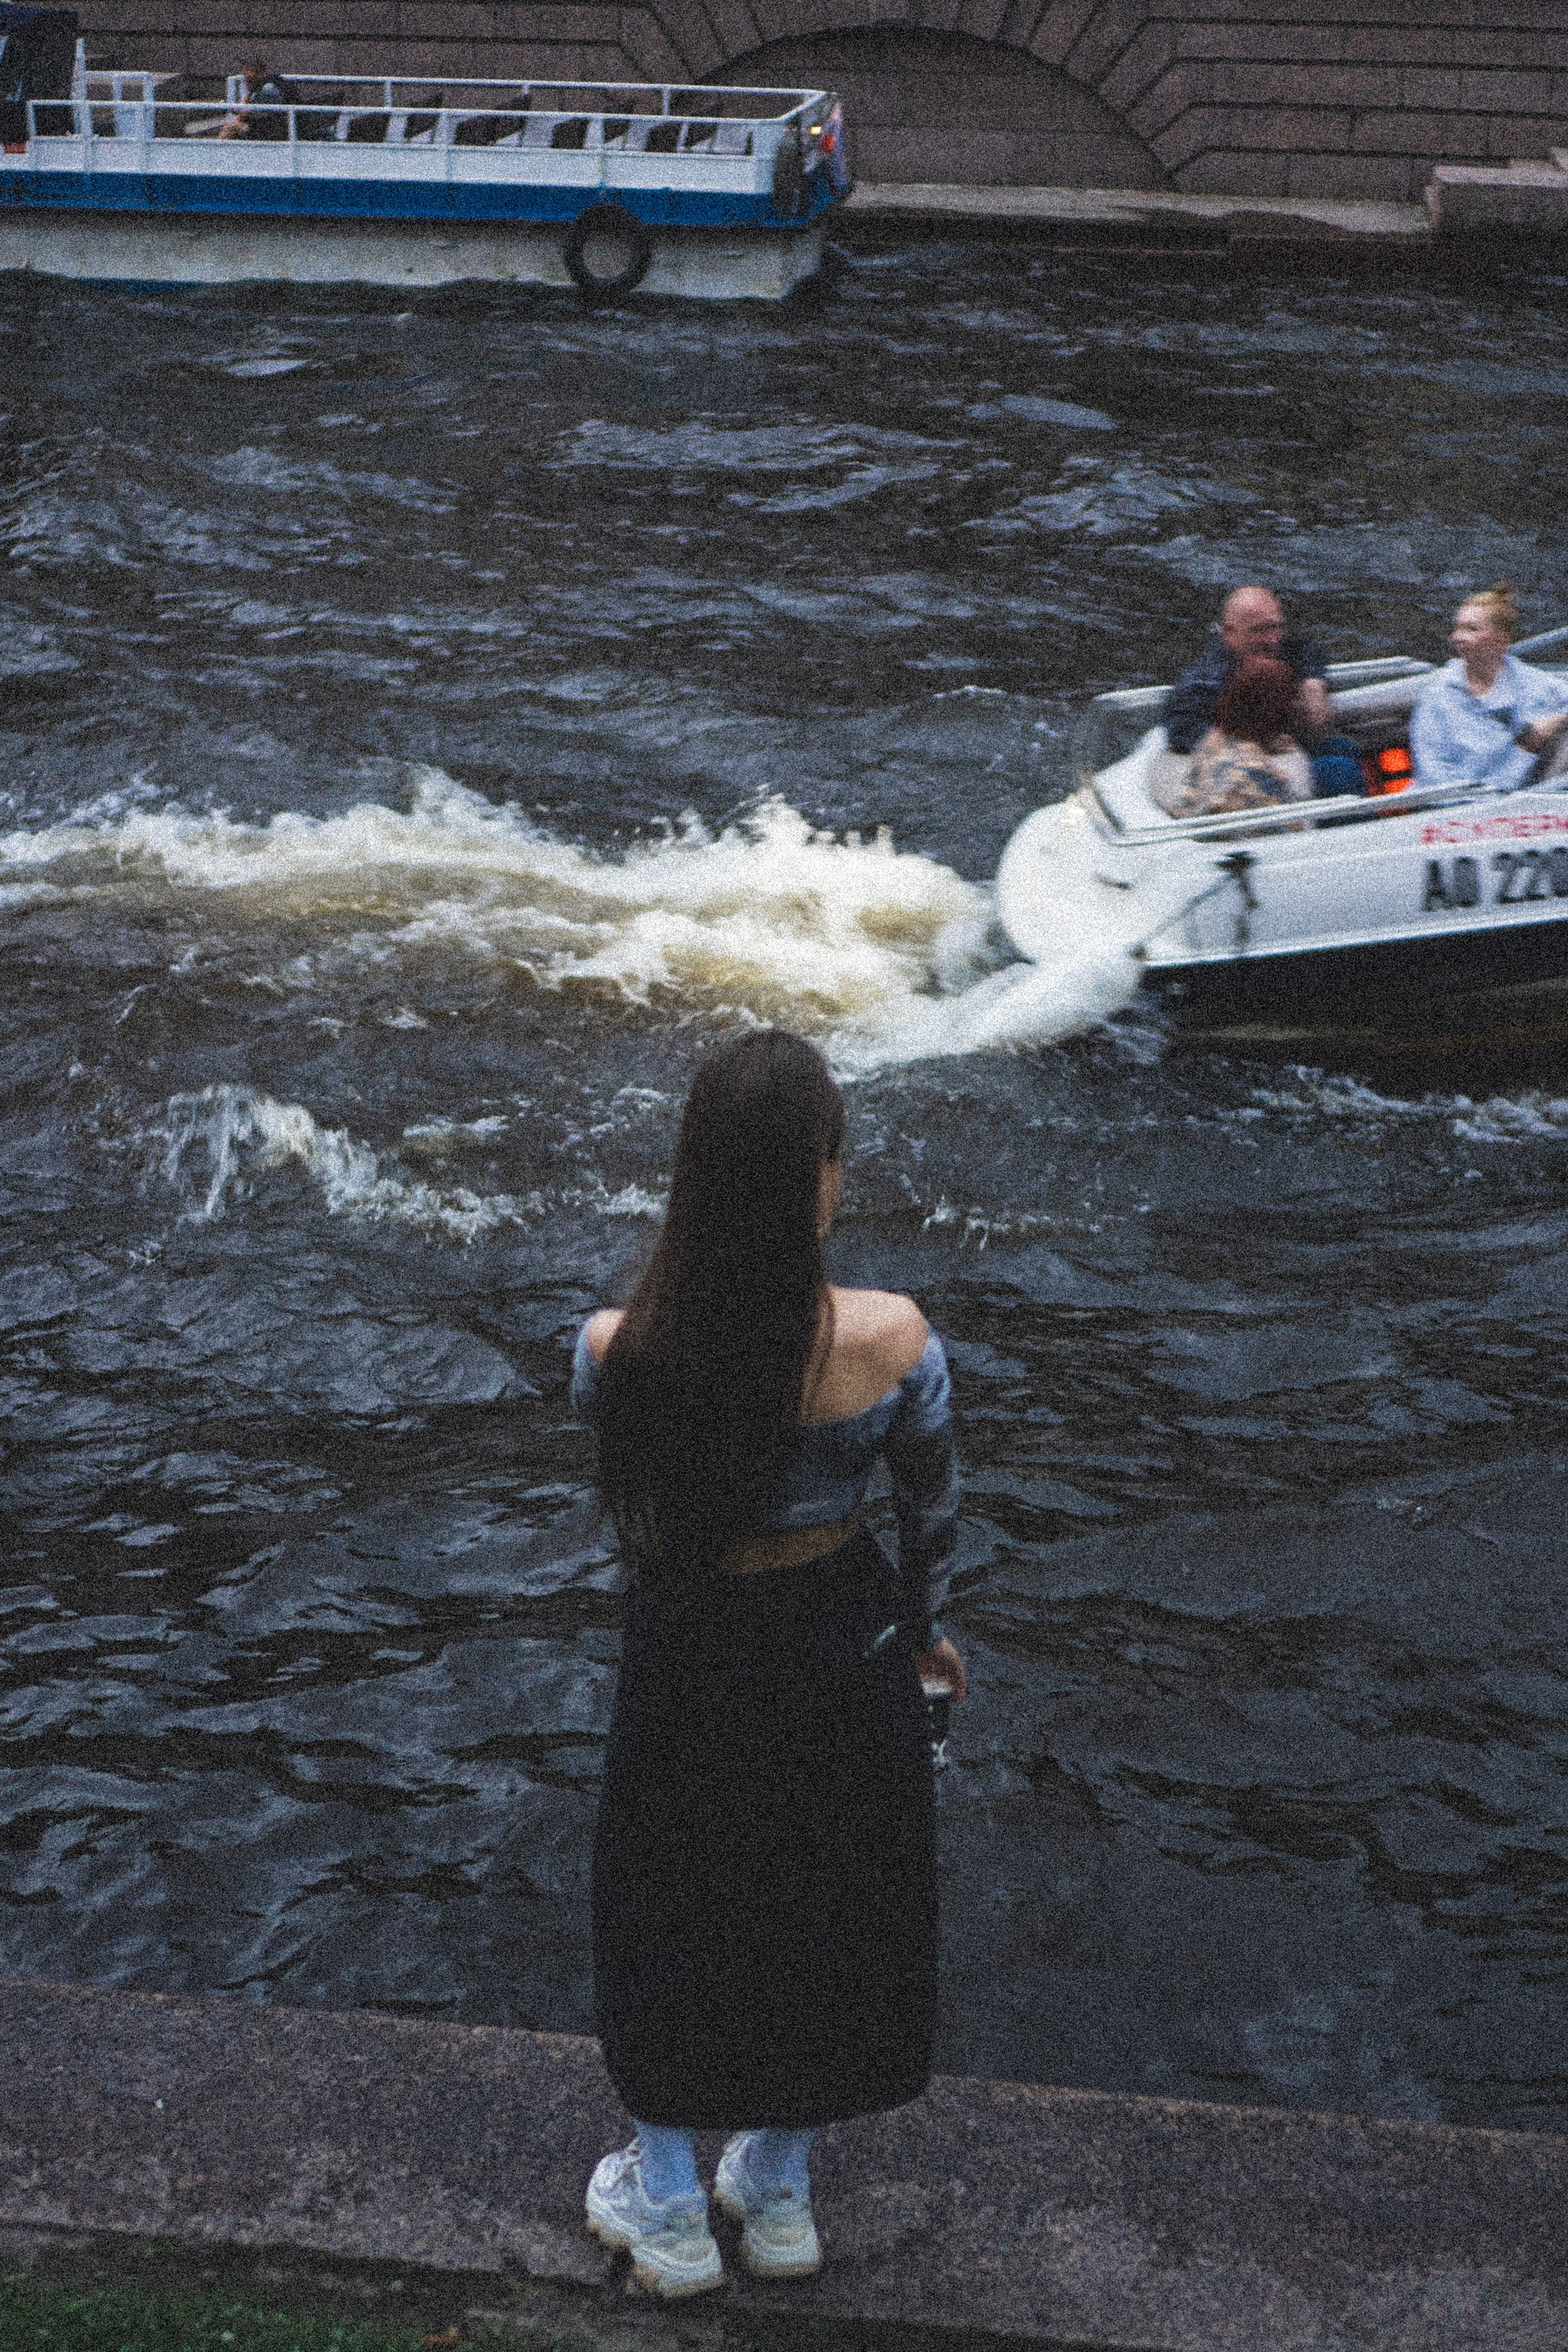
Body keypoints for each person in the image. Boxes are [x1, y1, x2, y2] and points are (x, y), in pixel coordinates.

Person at [572, 1030, 963, 2301]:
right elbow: (932, 1517)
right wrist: (925, 1634)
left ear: (695, 1178)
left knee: (665, 1898)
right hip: (839, 1634)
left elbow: (638, 1513)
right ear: (822, 1176)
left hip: (691, 1641)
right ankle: (780, 2193)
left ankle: (669, 2204)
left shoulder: (614, 1350)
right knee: (831, 1898)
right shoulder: (895, 1341)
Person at [1165, 585, 1363, 798]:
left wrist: (1313, 682)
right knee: (1340, 772)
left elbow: (1306, 649)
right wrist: (1261, 744)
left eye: (1276, 627)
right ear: (1230, 632)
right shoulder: (1204, 681)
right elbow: (1182, 732)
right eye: (1261, 630)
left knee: (1341, 746)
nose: (1273, 639)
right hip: (1245, 769)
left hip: (1278, 750)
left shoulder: (1270, 646)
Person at [1410, 584, 1568, 792]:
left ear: (1502, 639)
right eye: (1458, 628)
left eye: (1471, 629)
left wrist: (1556, 721)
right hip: (1452, 802)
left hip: (1525, 799)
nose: (1458, 637)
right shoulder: (1438, 694)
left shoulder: (1534, 685)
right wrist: (1526, 748)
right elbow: (1433, 774)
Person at [1156, 655, 1316, 818]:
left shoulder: (1212, 740)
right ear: (1276, 710)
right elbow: (1292, 826)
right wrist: (1278, 782)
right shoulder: (1260, 775)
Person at [217, 58, 297, 140]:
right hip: (267, 126)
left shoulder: (268, 89)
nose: (246, 81)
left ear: (261, 74)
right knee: (234, 125)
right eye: (245, 76)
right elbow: (246, 112)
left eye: (249, 78)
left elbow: (250, 114)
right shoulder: (258, 88)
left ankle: (219, 148)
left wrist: (232, 109)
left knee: (231, 128)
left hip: (277, 130)